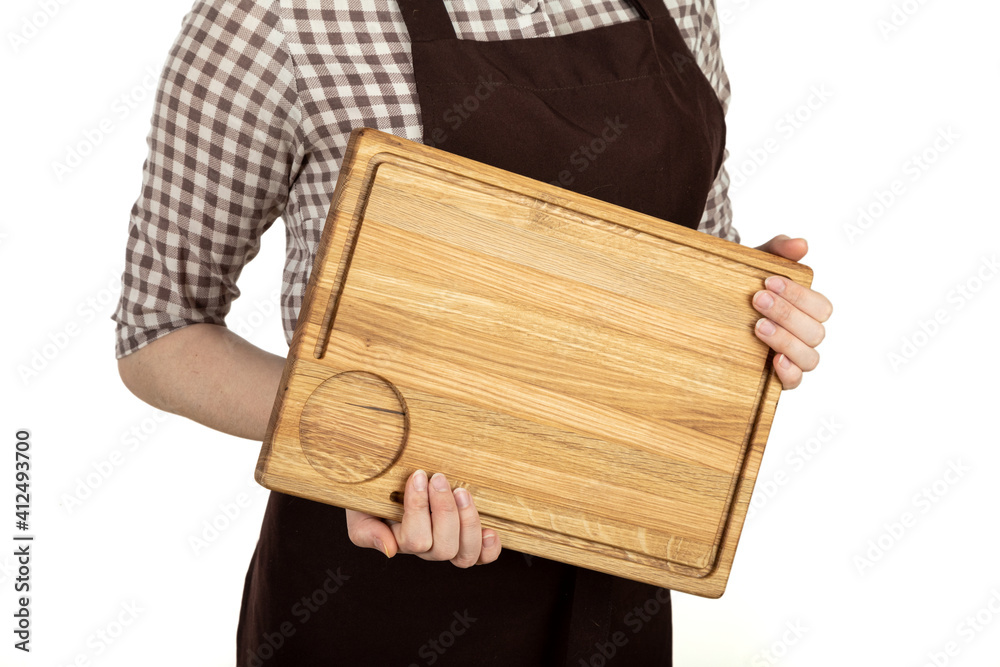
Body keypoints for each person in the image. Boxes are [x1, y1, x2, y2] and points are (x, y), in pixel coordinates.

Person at [113, 0, 833, 664]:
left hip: (619, 590)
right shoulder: (278, 17)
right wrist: (360, 431)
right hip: (373, 593)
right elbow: (159, 329)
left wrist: (758, 322)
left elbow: (693, 271)